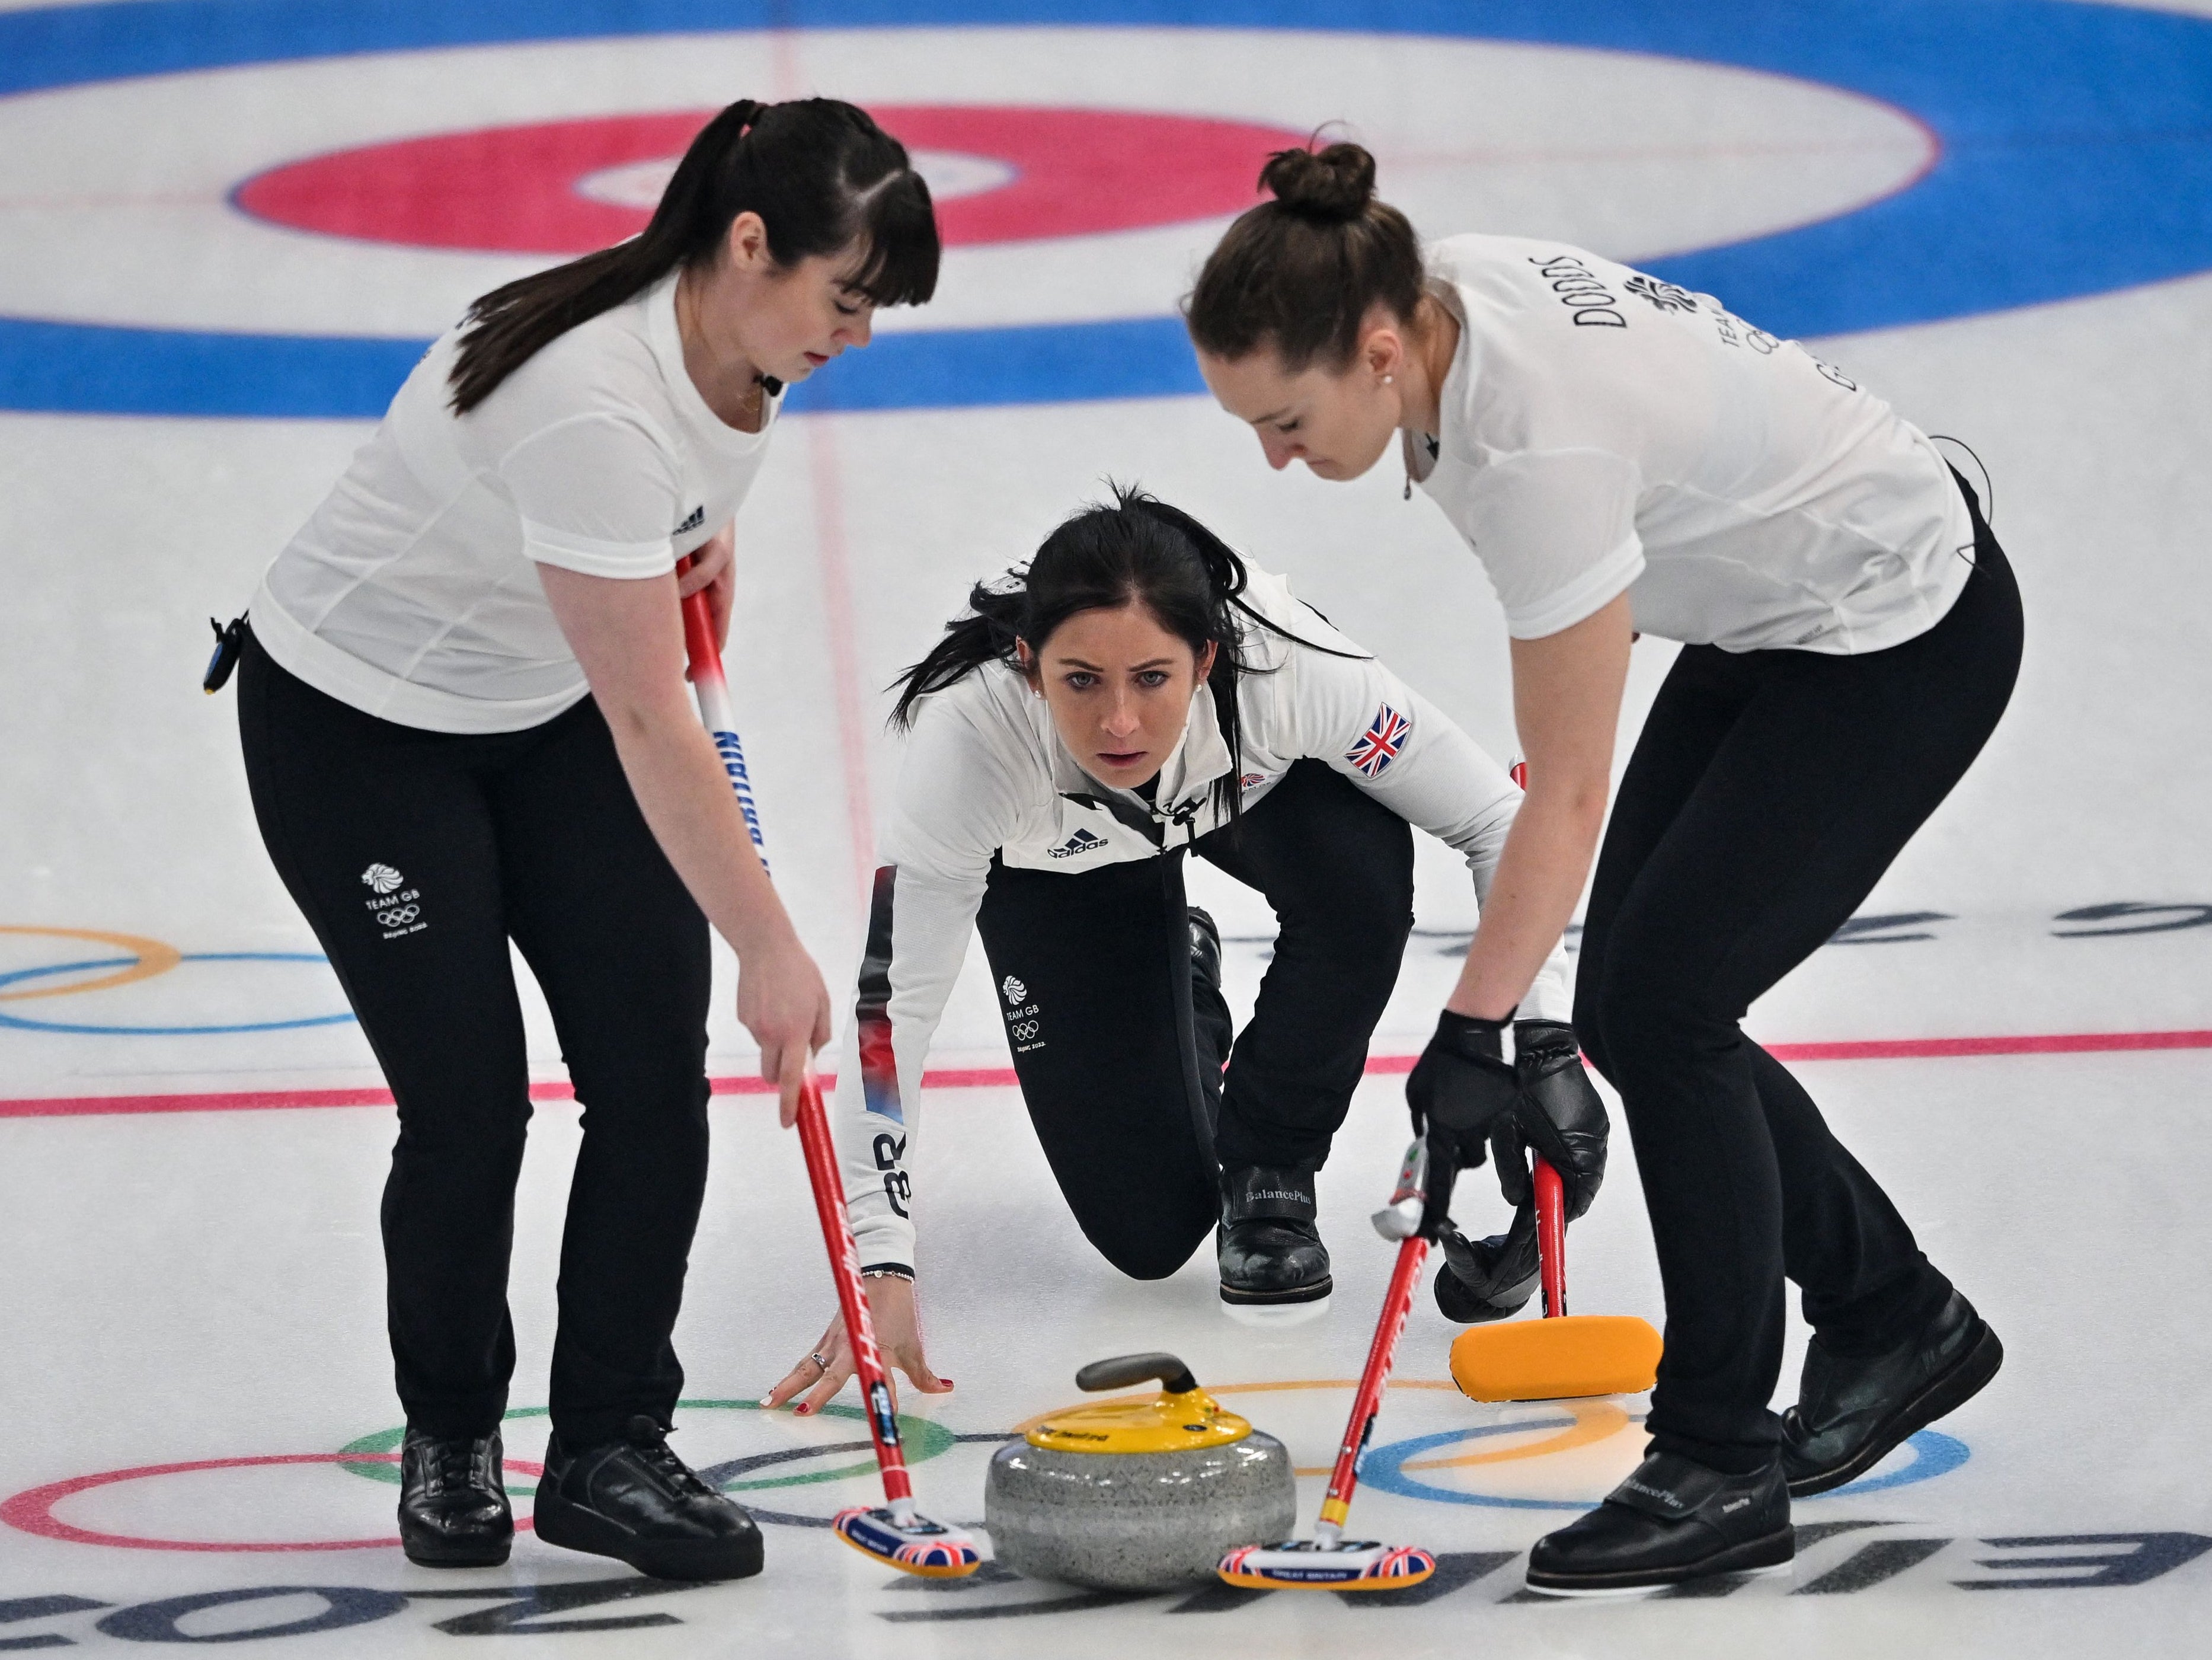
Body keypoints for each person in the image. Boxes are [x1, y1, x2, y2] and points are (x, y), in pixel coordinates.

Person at [1187, 142, 2020, 1595]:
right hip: (1777, 615)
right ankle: (1893, 1314)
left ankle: (1716, 1457)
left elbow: (1562, 797)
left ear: (1379, 351)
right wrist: (1497, 1024)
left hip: (1899, 638)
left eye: (1284, 419)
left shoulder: (1530, 452)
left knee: (1670, 1012)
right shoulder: (1440, 297)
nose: (1273, 456)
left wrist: (1470, 1037)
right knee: (1641, 1008)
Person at [222, 98, 938, 1581]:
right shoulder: (589, 395)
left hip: (537, 704)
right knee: (474, 1103)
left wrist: (699, 535)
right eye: (848, 299)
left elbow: (660, 538)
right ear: (750, 245)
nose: (858, 337)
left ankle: (609, 1440)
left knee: (649, 1079)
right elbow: (652, 720)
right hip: (361, 734)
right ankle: (453, 1430)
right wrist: (772, 944)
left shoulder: (745, 341)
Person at [762, 488, 1605, 1417]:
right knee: (1152, 1233)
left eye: (1153, 679)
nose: (1120, 723)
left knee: (1365, 875)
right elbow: (892, 1020)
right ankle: (1180, 974)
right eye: (1080, 680)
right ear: (1029, 664)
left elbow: (1498, 822)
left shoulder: (1287, 667)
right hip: (1062, 869)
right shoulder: (970, 747)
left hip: (1252, 794)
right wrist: (878, 1258)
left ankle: (1271, 1169)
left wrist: (1545, 1042)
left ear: (1207, 659)